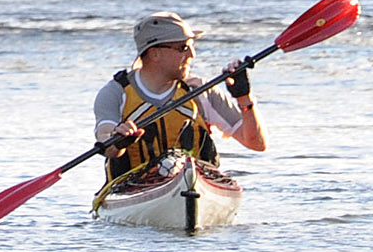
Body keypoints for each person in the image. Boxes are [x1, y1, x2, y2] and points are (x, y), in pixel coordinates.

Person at [94, 10, 265, 189]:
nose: (192, 55)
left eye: (192, 46)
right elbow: (107, 142)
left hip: (197, 187)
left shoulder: (200, 91)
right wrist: (119, 141)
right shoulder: (116, 93)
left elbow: (257, 144)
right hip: (133, 190)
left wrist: (244, 98)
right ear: (155, 54)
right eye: (183, 47)